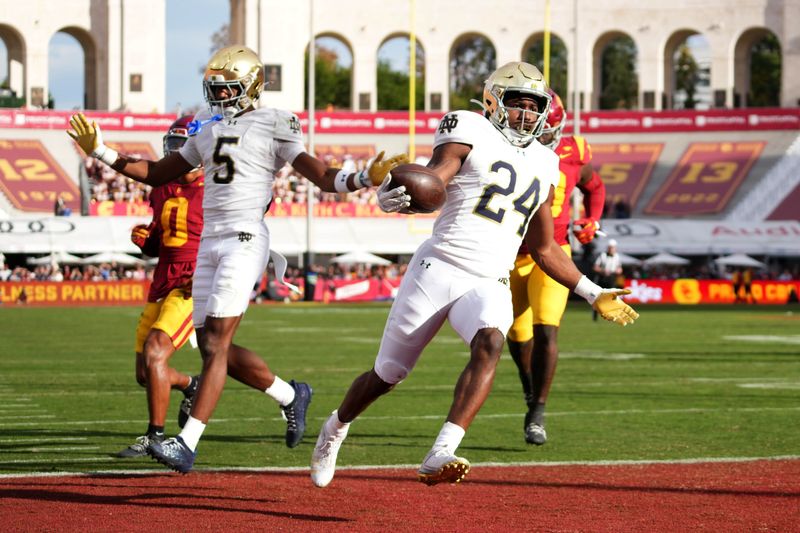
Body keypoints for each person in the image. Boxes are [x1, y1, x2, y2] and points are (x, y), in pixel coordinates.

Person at [67, 44, 408, 473]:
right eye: (215, 88)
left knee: (215, 346)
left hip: (244, 238)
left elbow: (319, 175)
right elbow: (155, 173)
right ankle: (291, 394)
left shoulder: (274, 121)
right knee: (212, 345)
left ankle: (186, 444)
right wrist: (100, 150)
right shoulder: (207, 131)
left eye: (227, 88)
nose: (220, 96)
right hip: (209, 241)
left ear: (251, 86)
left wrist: (361, 177)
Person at [309, 62, 638, 488]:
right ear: (492, 102)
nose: (526, 113)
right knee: (387, 375)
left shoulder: (545, 161)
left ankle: (441, 449)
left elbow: (543, 247)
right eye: (517, 104)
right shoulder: (468, 127)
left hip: (489, 278)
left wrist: (592, 292)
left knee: (491, 340)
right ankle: (335, 427)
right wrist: (403, 197)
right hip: (438, 266)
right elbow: (436, 178)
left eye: (533, 105)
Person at [506, 89, 606, 446]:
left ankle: (538, 411)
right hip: (511, 253)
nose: (547, 135)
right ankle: (530, 391)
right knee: (516, 335)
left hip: (554, 250)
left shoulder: (573, 150)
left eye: (550, 127)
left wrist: (591, 219)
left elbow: (594, 185)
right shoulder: (503, 146)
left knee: (547, 329)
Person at [115, 115, 204, 458]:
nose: (176, 152)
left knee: (155, 352)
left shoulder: (215, 188)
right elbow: (160, 240)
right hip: (162, 280)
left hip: (190, 282)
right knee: (145, 373)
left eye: (182, 146)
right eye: (173, 145)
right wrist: (146, 241)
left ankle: (154, 435)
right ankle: (191, 385)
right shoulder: (162, 186)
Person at [592, 239, 623, 321]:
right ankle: (595, 317)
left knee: (612, 298)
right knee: (598, 298)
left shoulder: (617, 257)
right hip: (602, 278)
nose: (611, 249)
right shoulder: (602, 255)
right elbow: (595, 267)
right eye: (610, 248)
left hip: (612, 279)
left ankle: (612, 315)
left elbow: (620, 269)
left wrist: (618, 271)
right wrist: (603, 271)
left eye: (612, 248)